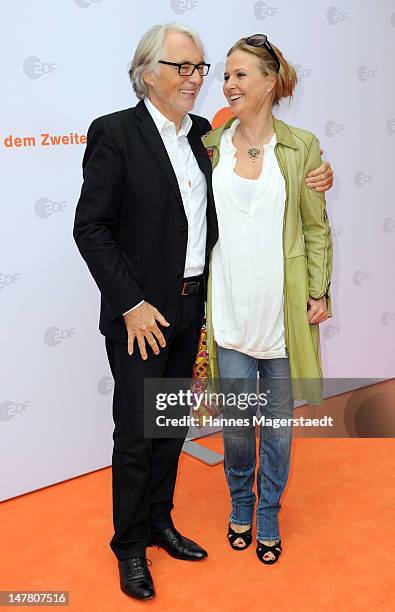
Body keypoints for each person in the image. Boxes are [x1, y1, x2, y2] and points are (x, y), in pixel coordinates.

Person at [73, 24, 332, 599]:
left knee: (169, 429)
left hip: (192, 310)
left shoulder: (202, 136)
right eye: (182, 67)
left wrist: (319, 175)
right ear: (148, 73)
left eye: (200, 69)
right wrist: (131, 305)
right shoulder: (114, 133)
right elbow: (90, 228)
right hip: (141, 318)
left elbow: (268, 185)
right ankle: (130, 546)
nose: (196, 79)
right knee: (137, 434)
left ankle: (161, 523)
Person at [203, 34, 333, 565]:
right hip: (230, 310)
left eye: (240, 75)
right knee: (237, 430)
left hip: (283, 316)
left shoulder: (301, 146)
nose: (229, 84)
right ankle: (239, 504)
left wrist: (319, 289)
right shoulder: (208, 145)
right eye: (226, 75)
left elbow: (316, 225)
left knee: (277, 431)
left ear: (269, 81)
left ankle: (268, 514)